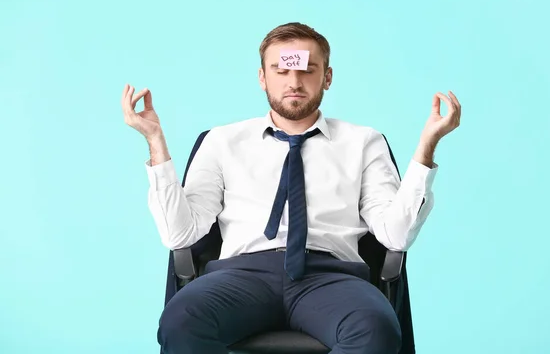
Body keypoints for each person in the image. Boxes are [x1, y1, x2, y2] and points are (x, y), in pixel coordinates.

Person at [121, 22, 461, 354]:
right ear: (262, 78)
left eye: (307, 70)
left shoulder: (364, 142)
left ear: (327, 77)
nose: (294, 82)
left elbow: (396, 236)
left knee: (376, 327)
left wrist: (427, 147)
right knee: (182, 320)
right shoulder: (221, 141)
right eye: (281, 71)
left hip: (331, 277)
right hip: (241, 276)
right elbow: (180, 235)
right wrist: (155, 142)